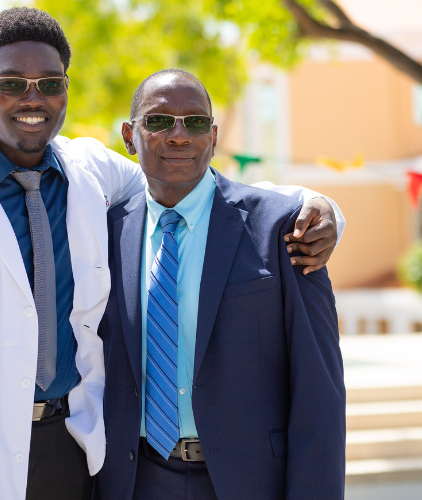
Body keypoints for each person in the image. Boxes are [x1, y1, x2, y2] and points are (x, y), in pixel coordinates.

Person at [0, 8, 344, 500]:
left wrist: (315, 206)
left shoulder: (91, 172)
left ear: (65, 91)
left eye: (50, 83)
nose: (32, 98)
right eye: (11, 83)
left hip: (69, 448)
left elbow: (194, 188)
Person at [96, 70, 345, 500]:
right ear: (129, 136)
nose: (179, 135)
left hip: (250, 482)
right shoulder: (102, 234)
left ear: (212, 137)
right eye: (158, 121)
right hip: (135, 481)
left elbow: (319, 393)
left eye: (194, 122)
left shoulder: (284, 228)